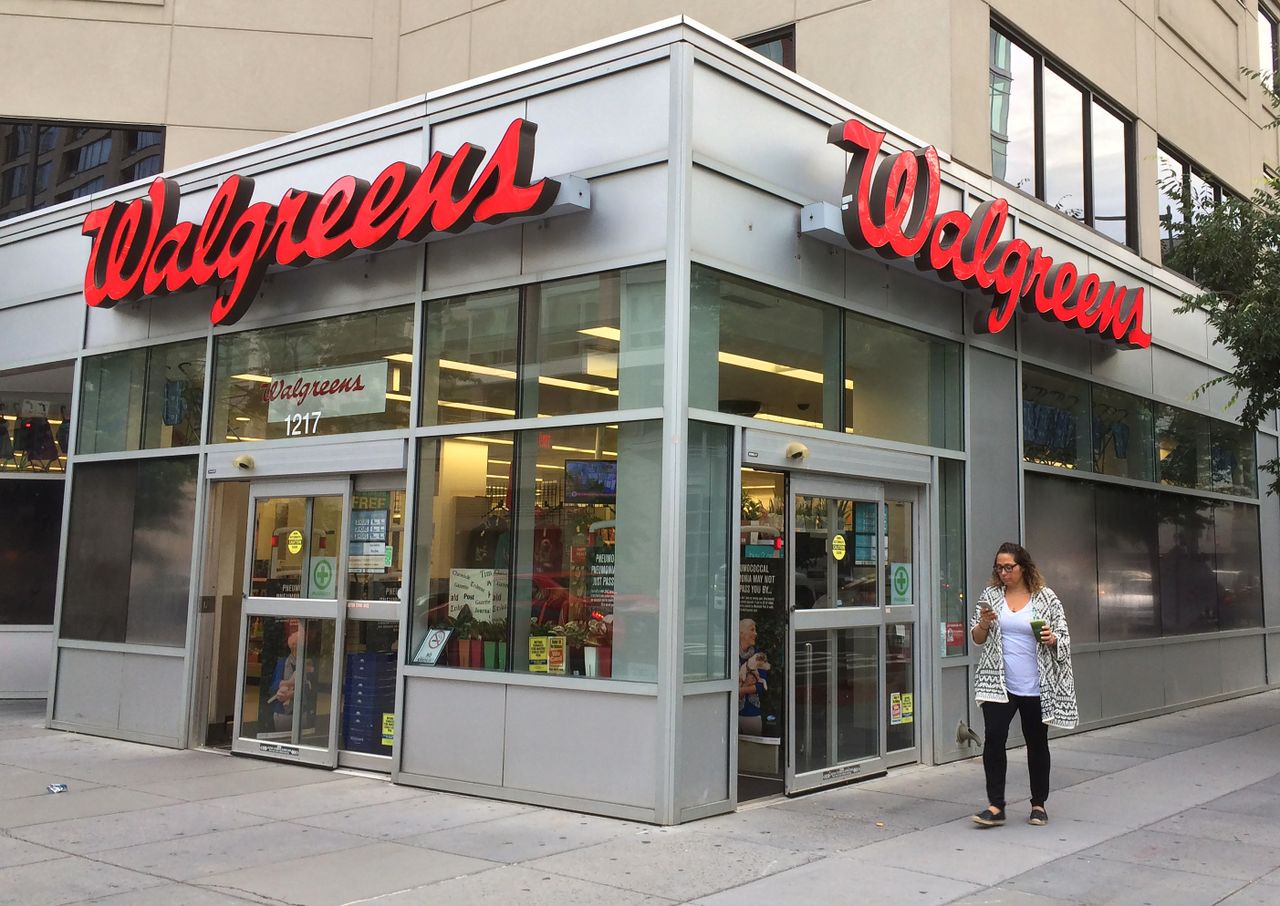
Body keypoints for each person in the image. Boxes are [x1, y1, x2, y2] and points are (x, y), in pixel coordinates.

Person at [970, 541, 1077, 828]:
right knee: (994, 739)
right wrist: (983, 623)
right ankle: (996, 806)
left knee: (1036, 743)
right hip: (998, 683)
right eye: (999, 568)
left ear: (1023, 566)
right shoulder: (990, 597)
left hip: (1036, 685)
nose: (1004, 573)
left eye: (1009, 567)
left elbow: (1064, 640)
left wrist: (1052, 639)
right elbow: (977, 639)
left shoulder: (1046, 598)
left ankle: (1038, 804)